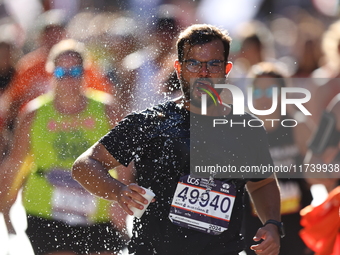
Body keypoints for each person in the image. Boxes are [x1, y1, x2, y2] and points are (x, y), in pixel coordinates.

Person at [72, 24, 282, 255]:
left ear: (226, 68)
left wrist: (272, 223)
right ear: (179, 68)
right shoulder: (151, 122)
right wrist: (117, 191)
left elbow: (263, 182)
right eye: (194, 64)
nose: (204, 72)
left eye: (213, 64)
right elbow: (85, 165)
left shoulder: (245, 129)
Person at [0, 39, 128, 255]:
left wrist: (122, 200)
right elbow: (15, 162)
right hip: (46, 211)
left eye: (74, 71)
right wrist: (6, 206)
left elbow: (125, 161)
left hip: (100, 210)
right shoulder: (33, 113)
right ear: (50, 73)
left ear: (85, 72)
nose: (68, 78)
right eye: (61, 72)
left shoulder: (107, 110)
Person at [241, 62, 313, 255]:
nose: (264, 98)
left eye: (271, 91)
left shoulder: (298, 126)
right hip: (257, 227)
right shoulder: (242, 132)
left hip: (296, 223)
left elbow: (320, 173)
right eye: (257, 92)